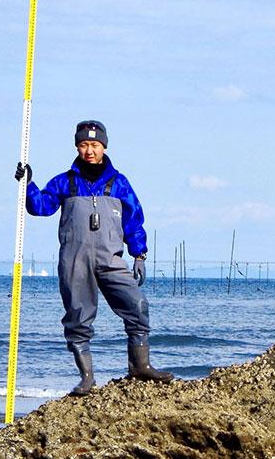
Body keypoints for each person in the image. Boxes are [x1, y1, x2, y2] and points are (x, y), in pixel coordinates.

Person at [14, 119, 173, 396]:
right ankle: (87, 378)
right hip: (74, 261)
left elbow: (134, 220)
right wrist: (28, 183)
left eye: (95, 145)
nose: (90, 150)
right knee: (78, 316)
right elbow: (40, 207)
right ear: (77, 146)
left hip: (111, 259)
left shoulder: (119, 183)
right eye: (84, 145)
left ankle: (140, 366)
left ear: (104, 147)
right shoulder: (65, 182)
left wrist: (139, 254)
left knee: (137, 305)